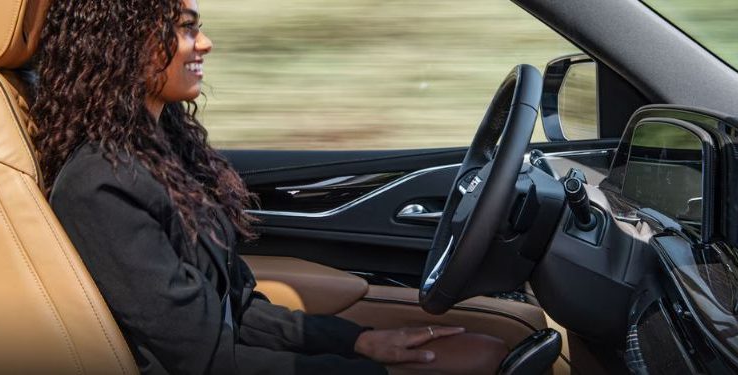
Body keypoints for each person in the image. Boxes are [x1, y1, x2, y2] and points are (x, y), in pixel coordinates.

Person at [30, 0, 506, 374]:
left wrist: (358, 342)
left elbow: (236, 308)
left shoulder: (164, 154)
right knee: (482, 360)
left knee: (485, 350)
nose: (206, 43)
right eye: (185, 27)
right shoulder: (100, 187)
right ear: (122, 42)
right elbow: (204, 361)